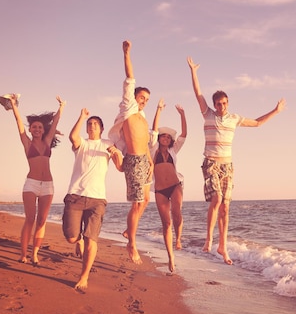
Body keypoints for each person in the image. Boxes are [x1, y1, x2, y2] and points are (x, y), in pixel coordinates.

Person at [187, 57, 285, 265]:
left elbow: (258, 123)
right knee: (217, 199)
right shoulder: (208, 114)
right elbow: (198, 93)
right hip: (211, 163)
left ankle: (223, 246)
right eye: (218, 104)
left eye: (224, 103)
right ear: (214, 105)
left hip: (228, 166)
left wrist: (275, 111)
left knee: (225, 208)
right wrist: (194, 72)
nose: (221, 106)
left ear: (228, 103)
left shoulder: (235, 118)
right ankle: (209, 240)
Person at [62, 108, 123, 290]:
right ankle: (78, 240)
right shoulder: (82, 143)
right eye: (89, 124)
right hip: (75, 195)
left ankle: (84, 277)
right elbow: (73, 137)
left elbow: (120, 168)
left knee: (92, 240)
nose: (91, 126)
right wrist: (82, 117)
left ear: (101, 129)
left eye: (95, 124)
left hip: (97, 199)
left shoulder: (108, 143)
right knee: (71, 237)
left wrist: (116, 153)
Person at [108, 40, 155, 265]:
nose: (143, 102)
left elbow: (146, 140)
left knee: (146, 199)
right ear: (134, 97)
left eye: (146, 100)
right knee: (137, 204)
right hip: (134, 161)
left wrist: (152, 161)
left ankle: (128, 231)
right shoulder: (128, 107)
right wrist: (126, 53)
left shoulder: (143, 117)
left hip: (145, 160)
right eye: (141, 98)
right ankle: (131, 244)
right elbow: (130, 78)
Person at [6, 93, 65, 266]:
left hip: (48, 186)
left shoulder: (47, 141)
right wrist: (14, 105)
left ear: (43, 130)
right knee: (30, 219)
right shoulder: (27, 143)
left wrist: (61, 107)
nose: (37, 129)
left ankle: (35, 254)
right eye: (34, 127)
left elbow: (55, 123)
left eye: (40, 127)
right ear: (30, 130)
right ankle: (24, 254)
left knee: (42, 221)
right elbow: (18, 123)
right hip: (31, 184)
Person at [150, 101, 187, 272]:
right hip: (159, 190)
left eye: (167, 137)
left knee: (177, 212)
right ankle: (171, 258)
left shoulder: (174, 150)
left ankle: (178, 238)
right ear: (159, 138)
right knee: (166, 223)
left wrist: (182, 115)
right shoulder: (153, 149)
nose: (165, 138)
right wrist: (158, 110)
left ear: (170, 140)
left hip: (175, 185)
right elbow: (154, 129)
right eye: (162, 136)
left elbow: (184, 134)